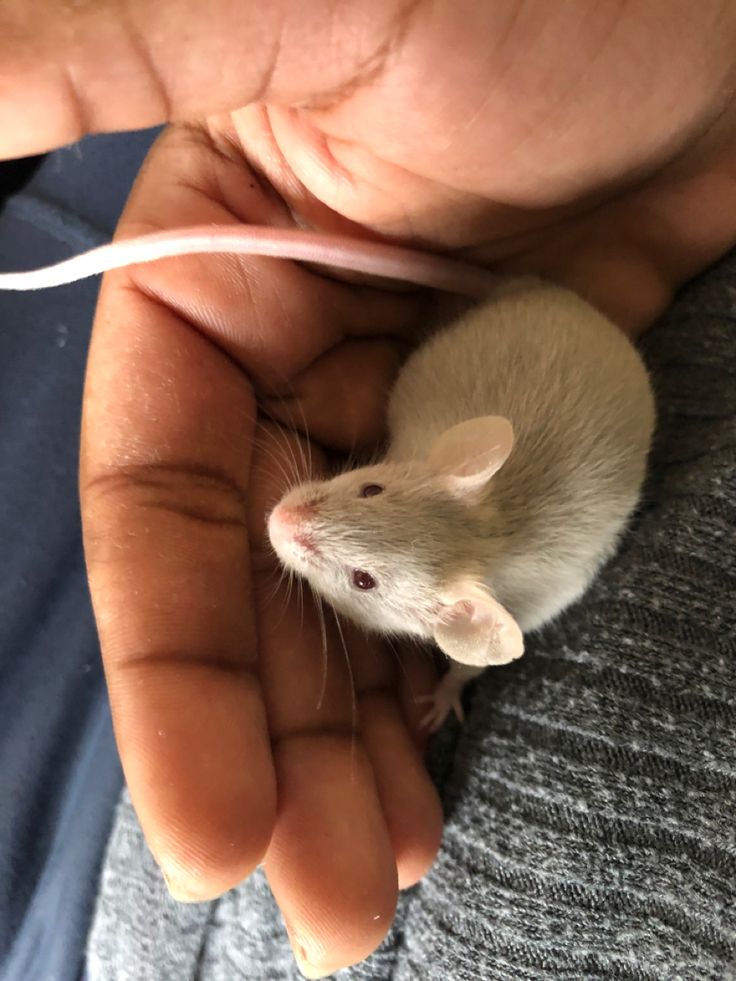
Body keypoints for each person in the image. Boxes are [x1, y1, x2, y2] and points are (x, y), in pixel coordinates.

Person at [1, 2, 735, 977]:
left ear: (459, 616)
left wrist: (461, 678)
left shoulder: (484, 579)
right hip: (547, 345)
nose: (299, 523)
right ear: (446, 463)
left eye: (357, 583)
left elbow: (541, 597)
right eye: (370, 497)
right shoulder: (455, 516)